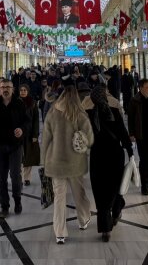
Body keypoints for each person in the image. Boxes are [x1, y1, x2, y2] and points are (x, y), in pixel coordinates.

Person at [42, 84, 94, 244]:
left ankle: (60, 232)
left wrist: (43, 160)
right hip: (75, 163)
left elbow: (45, 139)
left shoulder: (52, 112)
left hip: (55, 161)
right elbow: (89, 138)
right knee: (79, 193)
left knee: (59, 197)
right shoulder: (80, 114)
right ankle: (83, 219)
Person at [86, 86, 132, 242]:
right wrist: (130, 152)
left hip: (98, 156)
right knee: (113, 188)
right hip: (114, 155)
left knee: (100, 191)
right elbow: (123, 134)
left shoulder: (89, 114)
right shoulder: (114, 112)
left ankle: (106, 228)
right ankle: (116, 209)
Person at [0, 79, 29, 217]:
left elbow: (27, 121)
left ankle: (17, 200)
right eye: (3, 87)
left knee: (15, 176)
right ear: (0, 89)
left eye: (8, 87)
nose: (5, 89)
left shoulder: (19, 104)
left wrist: (22, 129)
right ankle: (4, 205)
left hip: (15, 146)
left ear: (12, 89)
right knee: (1, 178)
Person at [19, 84, 40, 186]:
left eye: (25, 90)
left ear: (28, 91)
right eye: (21, 90)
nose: (23, 92)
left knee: (28, 156)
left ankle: (27, 178)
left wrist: (35, 135)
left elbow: (36, 120)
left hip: (29, 133)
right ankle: (18, 176)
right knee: (18, 156)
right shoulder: (16, 102)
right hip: (18, 133)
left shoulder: (33, 103)